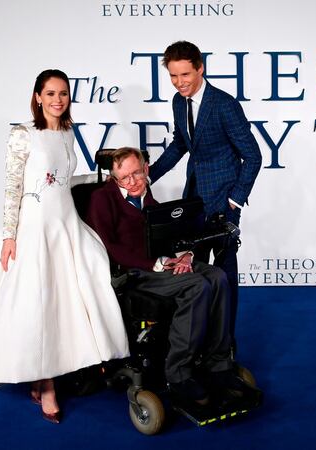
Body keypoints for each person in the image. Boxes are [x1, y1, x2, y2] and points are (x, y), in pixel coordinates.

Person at [0, 69, 129, 424]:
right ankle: (46, 386)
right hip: (34, 228)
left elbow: (62, 180)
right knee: (39, 303)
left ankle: (73, 363)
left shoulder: (69, 133)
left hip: (66, 225)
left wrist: (100, 178)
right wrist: (10, 236)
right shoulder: (22, 135)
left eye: (63, 94)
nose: (58, 100)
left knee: (71, 298)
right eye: (51, 93)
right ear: (38, 96)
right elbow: (13, 187)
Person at [85, 147, 255, 406]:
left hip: (161, 263)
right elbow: (109, 248)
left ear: (146, 170)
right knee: (198, 286)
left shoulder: (146, 195)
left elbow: (167, 232)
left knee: (218, 276)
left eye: (137, 174)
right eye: (125, 178)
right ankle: (178, 373)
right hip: (134, 272)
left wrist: (185, 255)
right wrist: (157, 263)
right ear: (113, 178)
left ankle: (218, 363)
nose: (132, 182)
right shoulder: (102, 199)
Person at [149, 41, 262, 337]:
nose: (179, 82)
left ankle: (226, 342)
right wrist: (149, 175)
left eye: (185, 74)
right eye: (173, 76)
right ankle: (199, 338)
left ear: (200, 68)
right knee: (194, 272)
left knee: (225, 275)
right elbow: (180, 145)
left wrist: (235, 201)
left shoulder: (224, 104)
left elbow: (253, 156)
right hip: (194, 200)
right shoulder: (178, 101)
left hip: (224, 202)